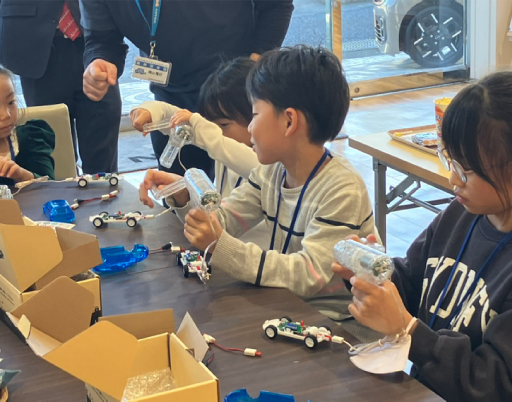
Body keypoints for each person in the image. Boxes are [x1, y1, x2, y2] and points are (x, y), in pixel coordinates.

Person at [333, 71, 512, 401]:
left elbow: (494, 385)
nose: (453, 179)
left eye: (466, 170)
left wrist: (408, 330)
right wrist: (373, 276)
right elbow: (414, 283)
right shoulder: (463, 213)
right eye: (449, 160)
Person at [151, 46, 377, 320]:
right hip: (288, 306)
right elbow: (223, 221)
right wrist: (185, 198)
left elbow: (309, 274)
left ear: (289, 121)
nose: (249, 127)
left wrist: (221, 245)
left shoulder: (341, 189)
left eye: (255, 114)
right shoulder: (271, 172)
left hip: (337, 323)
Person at [79, 0, 294, 178]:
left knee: (247, 190)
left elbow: (277, 5)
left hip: (235, 97)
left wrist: (255, 62)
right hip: (170, 95)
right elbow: (101, 39)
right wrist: (99, 61)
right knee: (179, 195)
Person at [0, 0, 121, 174]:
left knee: (103, 157)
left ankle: (102, 191)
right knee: (54, 157)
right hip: (33, 43)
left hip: (97, 40)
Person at [132, 57, 259, 201]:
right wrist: (184, 194)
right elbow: (219, 212)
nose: (215, 131)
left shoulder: (267, 167)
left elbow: (252, 165)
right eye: (211, 124)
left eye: (224, 124)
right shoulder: (226, 153)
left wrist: (198, 125)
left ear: (257, 115)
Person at [0, 66, 55, 181]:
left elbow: (49, 184)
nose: (6, 115)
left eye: (11, 102)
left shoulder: (30, 138)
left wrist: (20, 174)